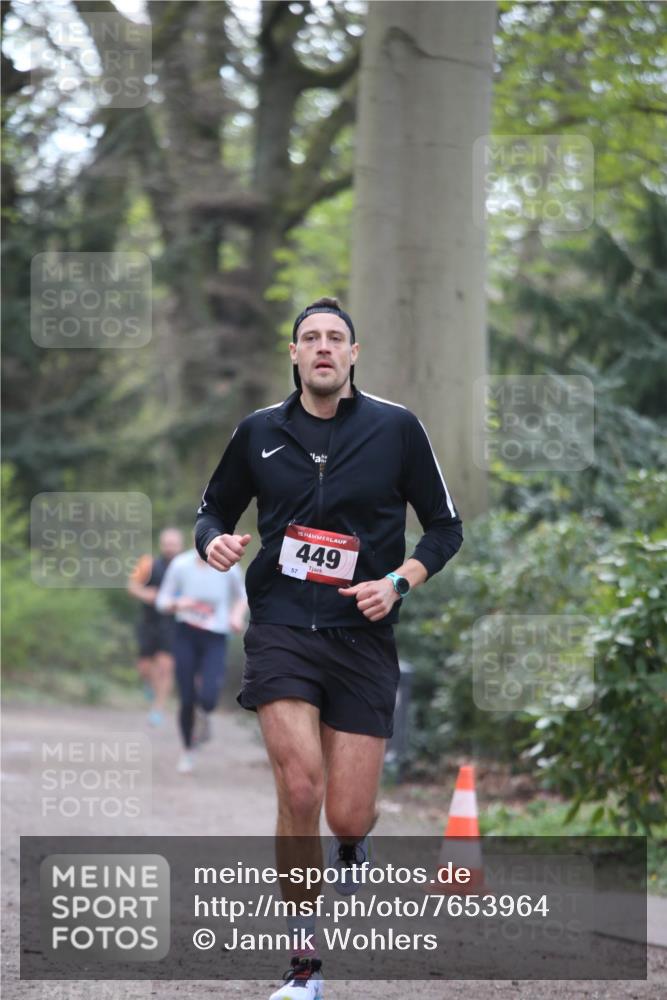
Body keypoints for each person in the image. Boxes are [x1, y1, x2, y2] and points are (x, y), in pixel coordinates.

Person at [195, 297, 463, 999]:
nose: (321, 347)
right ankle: (302, 968)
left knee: (346, 810)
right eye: (308, 338)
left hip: (362, 634)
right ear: (292, 354)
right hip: (281, 626)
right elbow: (213, 508)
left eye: (334, 338)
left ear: (352, 354)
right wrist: (212, 542)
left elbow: (443, 527)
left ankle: (352, 842)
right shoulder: (258, 433)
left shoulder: (396, 430)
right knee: (300, 787)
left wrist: (399, 583)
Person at [156, 546, 247, 773]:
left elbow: (242, 596)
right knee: (186, 697)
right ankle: (188, 750)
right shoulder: (181, 564)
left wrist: (236, 616)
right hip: (185, 633)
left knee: (208, 697)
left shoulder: (230, 566)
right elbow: (162, 600)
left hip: (215, 636)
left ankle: (204, 715)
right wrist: (178, 604)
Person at [127, 527, 183, 726]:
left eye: (174, 544)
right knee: (144, 667)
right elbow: (131, 586)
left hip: (172, 623)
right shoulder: (147, 563)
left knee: (165, 667)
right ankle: (150, 687)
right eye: (167, 544)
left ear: (180, 546)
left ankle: (158, 709)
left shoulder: (185, 567)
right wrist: (146, 595)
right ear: (161, 545)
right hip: (148, 621)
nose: (170, 548)